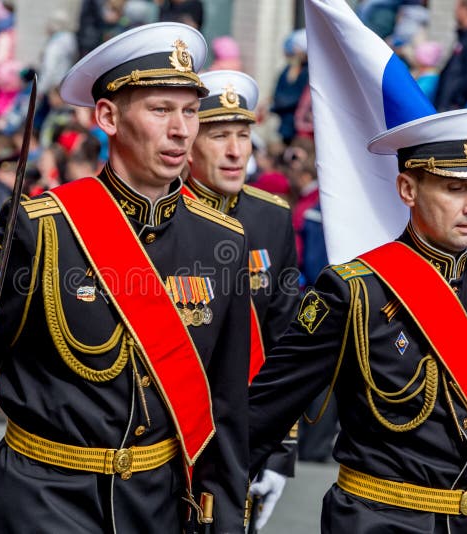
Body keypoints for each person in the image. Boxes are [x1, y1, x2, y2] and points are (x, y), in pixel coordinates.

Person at [0, 22, 250, 534]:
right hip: (37, 503)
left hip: (156, 509)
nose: (181, 130)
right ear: (107, 116)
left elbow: (225, 408)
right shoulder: (40, 229)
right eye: (160, 110)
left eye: (191, 111)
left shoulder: (223, 241)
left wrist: (226, 517)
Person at [249, 109, 467, 531]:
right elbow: (264, 409)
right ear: (407, 189)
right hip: (381, 520)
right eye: (454, 188)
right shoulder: (353, 291)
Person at [183, 70, 301, 530]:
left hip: (247, 437)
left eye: (243, 134)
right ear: (189, 140)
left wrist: (280, 453)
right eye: (219, 136)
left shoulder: (271, 218)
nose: (236, 151)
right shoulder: (157, 216)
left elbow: (288, 346)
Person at [434, 0, 467, 111]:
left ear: (466, 10)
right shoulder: (463, 34)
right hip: (445, 99)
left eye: (458, 8)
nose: (455, 12)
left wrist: (457, 99)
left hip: (454, 104)